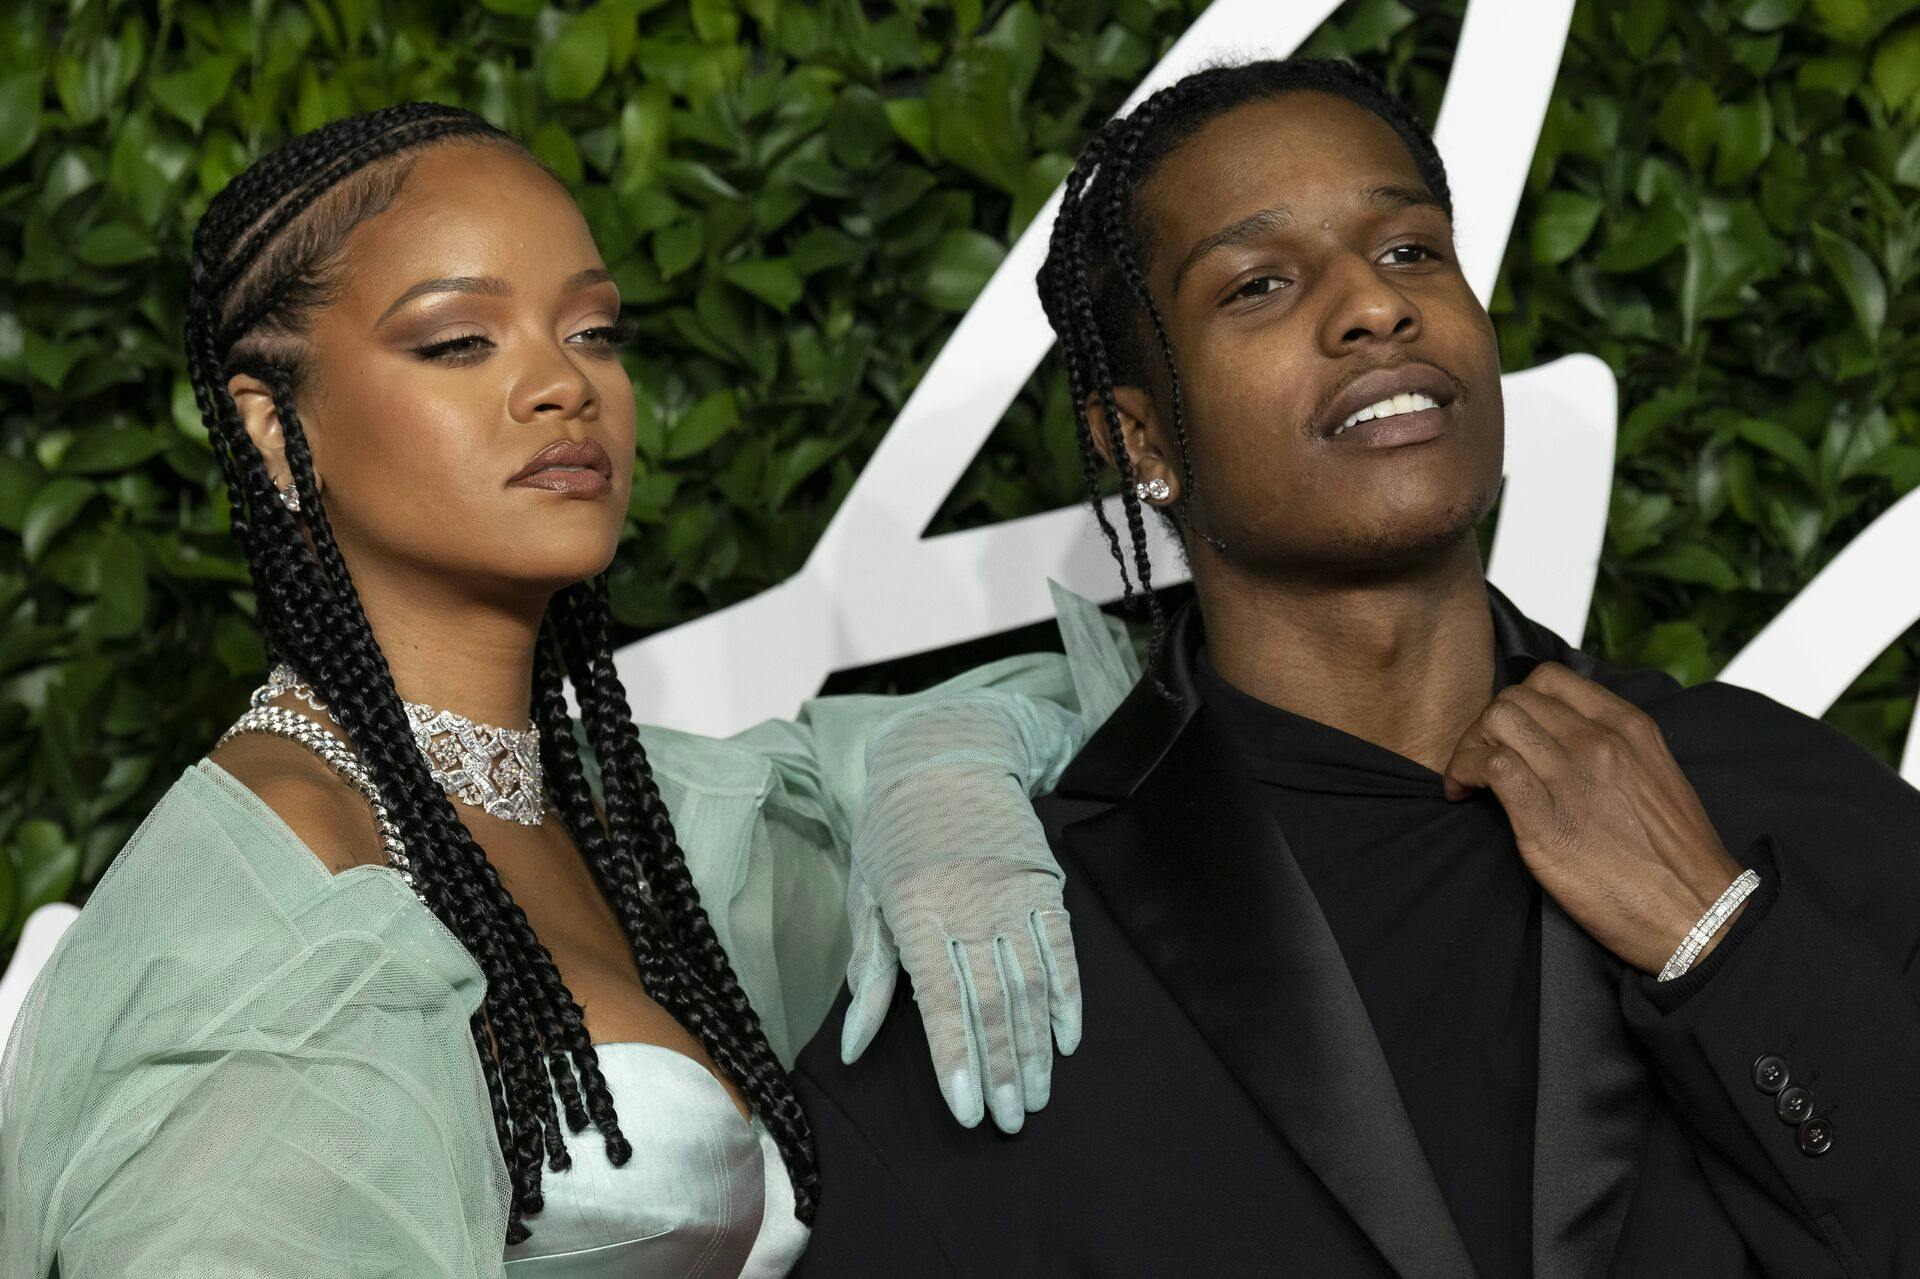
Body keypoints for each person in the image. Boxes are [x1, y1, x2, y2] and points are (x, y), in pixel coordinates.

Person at [789, 58, 1920, 1277]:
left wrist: (1716, 944)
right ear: (1142, 438)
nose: (1374, 309)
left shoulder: (1765, 793)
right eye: (1261, 283)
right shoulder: (1024, 957)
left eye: (1409, 252)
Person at [0, 103, 1100, 1278]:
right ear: (273, 428)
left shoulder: (649, 818)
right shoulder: (282, 920)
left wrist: (944, 771)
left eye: (594, 332)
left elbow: (1104, 718)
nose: (560, 385)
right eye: (460, 341)